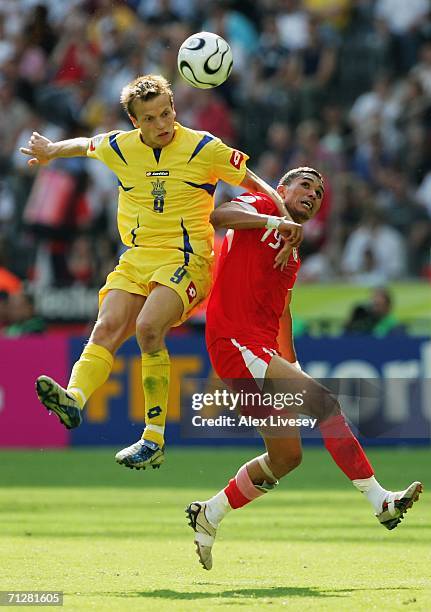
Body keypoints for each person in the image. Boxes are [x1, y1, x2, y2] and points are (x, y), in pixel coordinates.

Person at [20, 74, 299, 470]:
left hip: (189, 259)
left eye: (166, 113)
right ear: (135, 122)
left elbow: (259, 183)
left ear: (174, 108)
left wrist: (285, 219)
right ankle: (74, 399)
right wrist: (50, 150)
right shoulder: (122, 146)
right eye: (150, 118)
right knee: (107, 326)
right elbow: (87, 145)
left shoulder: (205, 147)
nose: (162, 124)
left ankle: (153, 437)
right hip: (136, 258)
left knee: (148, 327)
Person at [186, 166, 422, 570]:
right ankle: (380, 500)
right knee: (326, 404)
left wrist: (291, 364)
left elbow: (282, 313)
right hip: (235, 342)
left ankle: (209, 512)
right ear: (282, 189)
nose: (313, 194)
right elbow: (219, 215)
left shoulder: (292, 252)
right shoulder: (262, 204)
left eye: (320, 192)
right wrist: (274, 217)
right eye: (305, 185)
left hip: (255, 351)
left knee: (286, 456)